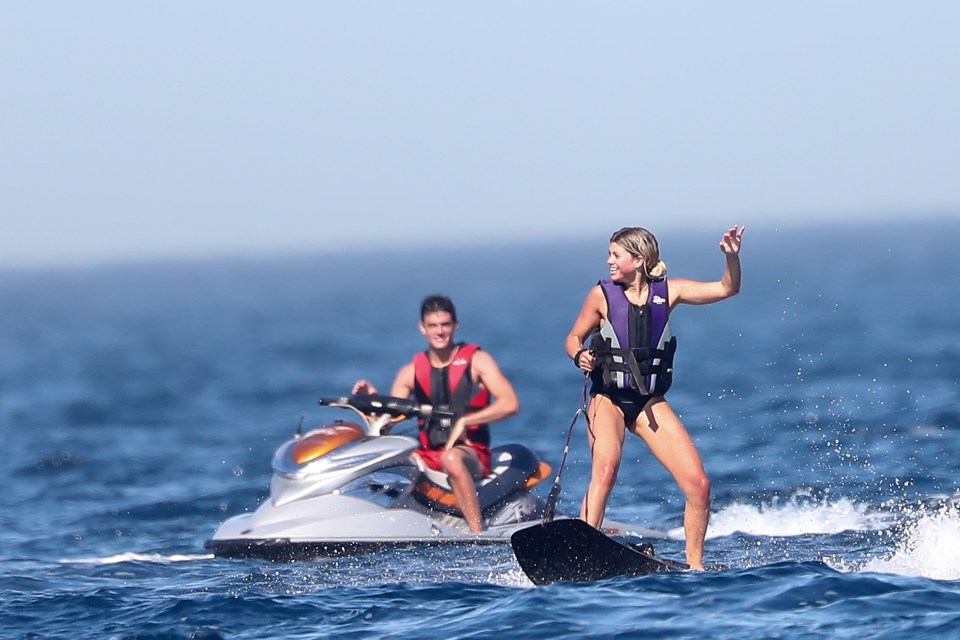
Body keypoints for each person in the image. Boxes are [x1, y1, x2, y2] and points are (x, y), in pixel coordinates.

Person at [564, 225, 745, 569]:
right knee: (605, 469)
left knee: (699, 485)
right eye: (610, 254)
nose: (609, 261)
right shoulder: (601, 295)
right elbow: (573, 337)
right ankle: (582, 553)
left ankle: (695, 566)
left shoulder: (669, 292)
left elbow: (728, 287)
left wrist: (731, 256)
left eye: (616, 255)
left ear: (639, 259)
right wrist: (579, 355)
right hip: (608, 400)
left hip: (648, 402)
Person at [352, 294, 520, 533]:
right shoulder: (410, 372)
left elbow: (510, 403)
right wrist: (372, 400)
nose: (439, 331)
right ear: (422, 328)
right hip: (426, 455)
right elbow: (389, 421)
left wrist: (466, 421)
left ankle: (477, 535)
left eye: (445, 325)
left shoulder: (477, 361)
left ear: (455, 325)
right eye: (433, 325)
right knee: (382, 461)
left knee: (450, 458)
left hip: (470, 453)